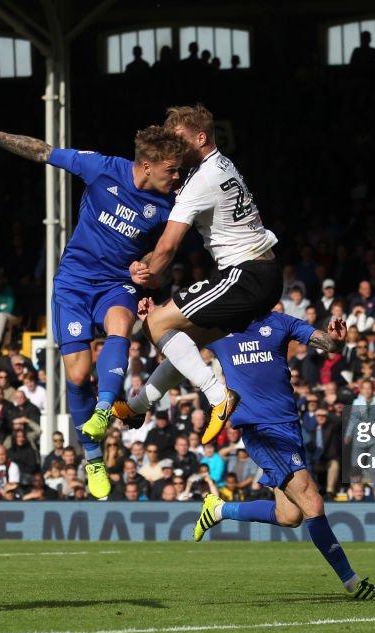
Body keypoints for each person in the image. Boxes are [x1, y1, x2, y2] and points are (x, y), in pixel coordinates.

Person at [0, 104, 185, 499]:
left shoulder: (174, 203)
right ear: (146, 165)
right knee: (77, 377)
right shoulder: (102, 168)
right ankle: (92, 458)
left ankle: (102, 413)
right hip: (74, 283)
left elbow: (162, 256)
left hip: (116, 283)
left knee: (120, 328)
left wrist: (146, 268)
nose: (177, 176)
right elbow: (44, 151)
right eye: (171, 170)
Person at [193, 308, 375, 601]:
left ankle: (219, 510)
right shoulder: (220, 326)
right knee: (312, 500)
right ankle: (352, 582)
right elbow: (172, 337)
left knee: (289, 516)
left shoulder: (279, 321)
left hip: (289, 427)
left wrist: (337, 341)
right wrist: (150, 321)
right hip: (261, 429)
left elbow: (327, 343)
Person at [113, 104, 281, 446]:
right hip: (262, 274)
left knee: (156, 324)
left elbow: (167, 248)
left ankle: (219, 397)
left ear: (200, 137)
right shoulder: (220, 165)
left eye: (179, 139)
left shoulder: (201, 180)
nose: (172, 148)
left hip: (246, 275)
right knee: (185, 347)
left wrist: (138, 274)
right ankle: (136, 407)